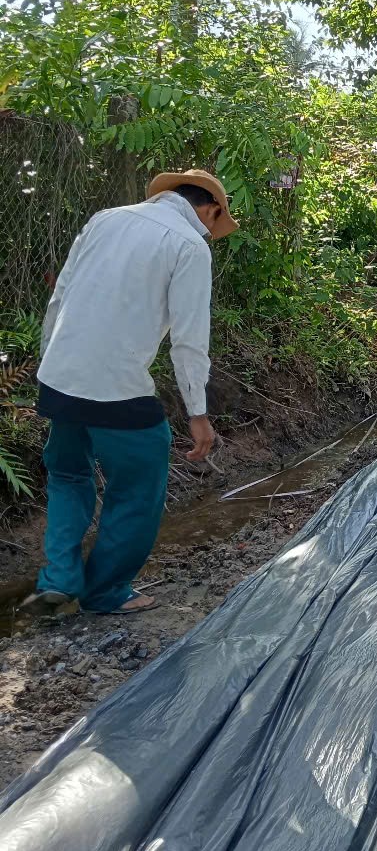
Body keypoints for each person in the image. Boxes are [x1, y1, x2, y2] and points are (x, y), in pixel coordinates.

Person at [21, 169, 238, 616]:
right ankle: (106, 591)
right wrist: (198, 414)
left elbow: (59, 297)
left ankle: (59, 579)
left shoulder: (106, 218)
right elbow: (189, 339)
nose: (212, 233)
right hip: (115, 386)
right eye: (216, 224)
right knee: (138, 485)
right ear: (211, 209)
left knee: (69, 475)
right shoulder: (189, 245)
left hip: (61, 376)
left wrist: (49, 367)